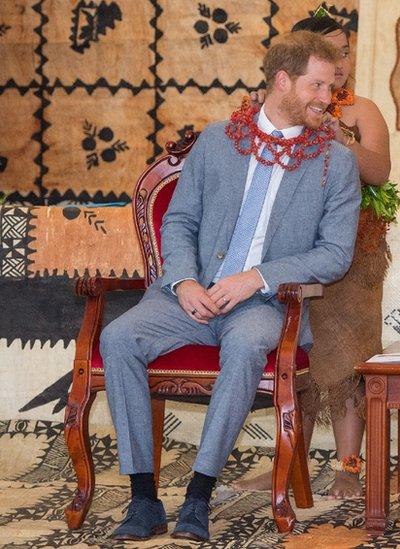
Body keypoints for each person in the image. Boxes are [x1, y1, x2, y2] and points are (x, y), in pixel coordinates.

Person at [100, 31, 361, 541]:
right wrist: (183, 282)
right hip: (191, 297)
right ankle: (143, 499)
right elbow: (178, 222)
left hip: (263, 305)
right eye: (317, 86)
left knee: (243, 345)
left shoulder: (336, 163)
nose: (326, 99)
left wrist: (257, 277)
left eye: (330, 88)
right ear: (282, 81)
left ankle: (198, 496)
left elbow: (334, 255)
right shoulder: (218, 141)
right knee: (117, 338)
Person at [237, 10, 392, 499]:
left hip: (353, 250)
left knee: (348, 358)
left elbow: (380, 172)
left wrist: (341, 139)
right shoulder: (287, 105)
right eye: (329, 53)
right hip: (293, 250)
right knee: (295, 354)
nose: (341, 62)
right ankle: (290, 464)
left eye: (345, 52)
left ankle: (349, 467)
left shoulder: (361, 109)